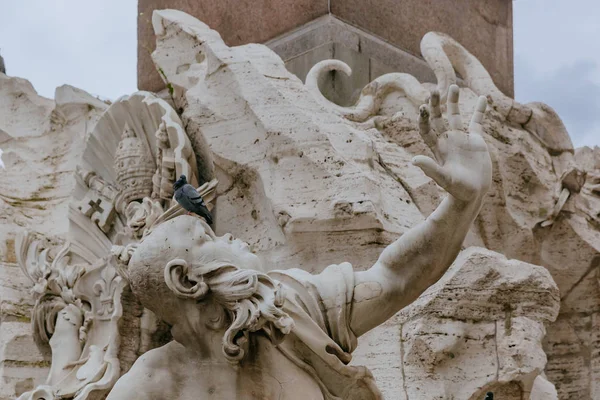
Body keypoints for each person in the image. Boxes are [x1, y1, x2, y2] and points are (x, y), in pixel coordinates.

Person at [107, 86, 492, 400]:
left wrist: (462, 203)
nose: (228, 234)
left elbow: (396, 277)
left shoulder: (289, 308)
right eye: (206, 237)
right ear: (186, 281)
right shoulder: (147, 387)